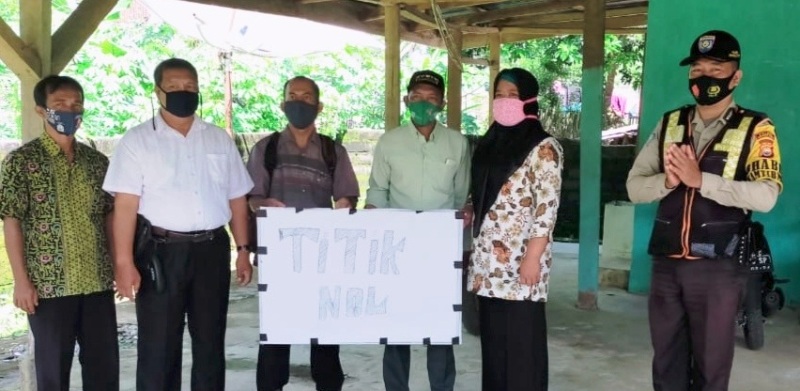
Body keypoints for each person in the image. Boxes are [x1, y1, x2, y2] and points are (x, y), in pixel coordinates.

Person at [627, 30, 782, 391]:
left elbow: (766, 196)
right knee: (666, 362)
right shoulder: (670, 124)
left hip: (718, 268)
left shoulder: (756, 127)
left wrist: (702, 181)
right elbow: (635, 187)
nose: (705, 77)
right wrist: (668, 181)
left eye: (716, 67)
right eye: (697, 69)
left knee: (712, 367)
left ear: (736, 76)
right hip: (667, 263)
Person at [103, 58, 254, 391]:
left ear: (198, 89)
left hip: (212, 251)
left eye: (190, 86)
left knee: (210, 343)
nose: (183, 92)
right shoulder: (137, 141)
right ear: (158, 92)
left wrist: (243, 250)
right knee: (159, 346)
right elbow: (125, 206)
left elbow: (237, 200)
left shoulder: (218, 139)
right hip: (160, 254)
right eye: (173, 87)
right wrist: (124, 263)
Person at [0, 75, 119, 390]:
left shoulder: (97, 163)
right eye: (60, 105)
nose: (69, 111)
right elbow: (11, 220)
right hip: (48, 287)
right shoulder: (21, 162)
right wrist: (21, 282)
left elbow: (108, 216)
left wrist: (119, 266)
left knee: (104, 370)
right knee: (53, 374)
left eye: (76, 104)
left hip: (96, 282)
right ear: (41, 110)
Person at [248, 76, 360, 391]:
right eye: (292, 96)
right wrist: (262, 204)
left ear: (318, 105)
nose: (299, 102)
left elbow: (349, 196)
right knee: (276, 334)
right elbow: (251, 198)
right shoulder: (266, 148)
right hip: (279, 257)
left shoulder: (332, 151)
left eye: (307, 96)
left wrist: (344, 203)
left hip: (322, 258)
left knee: (325, 334)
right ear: (283, 104)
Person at [366, 70, 471, 391]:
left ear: (441, 103)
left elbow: (461, 196)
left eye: (431, 98)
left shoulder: (458, 143)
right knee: (396, 329)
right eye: (417, 97)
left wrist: (463, 229)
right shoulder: (389, 143)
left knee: (439, 329)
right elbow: (377, 193)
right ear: (406, 100)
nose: (424, 103)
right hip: (397, 250)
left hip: (441, 252)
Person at [467, 68, 563, 391]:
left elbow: (546, 208)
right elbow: (480, 191)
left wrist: (533, 258)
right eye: (499, 94)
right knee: (493, 348)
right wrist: (470, 210)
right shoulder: (488, 142)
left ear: (529, 100)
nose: (504, 101)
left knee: (522, 349)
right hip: (487, 267)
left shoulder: (544, 147)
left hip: (522, 264)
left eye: (513, 95)